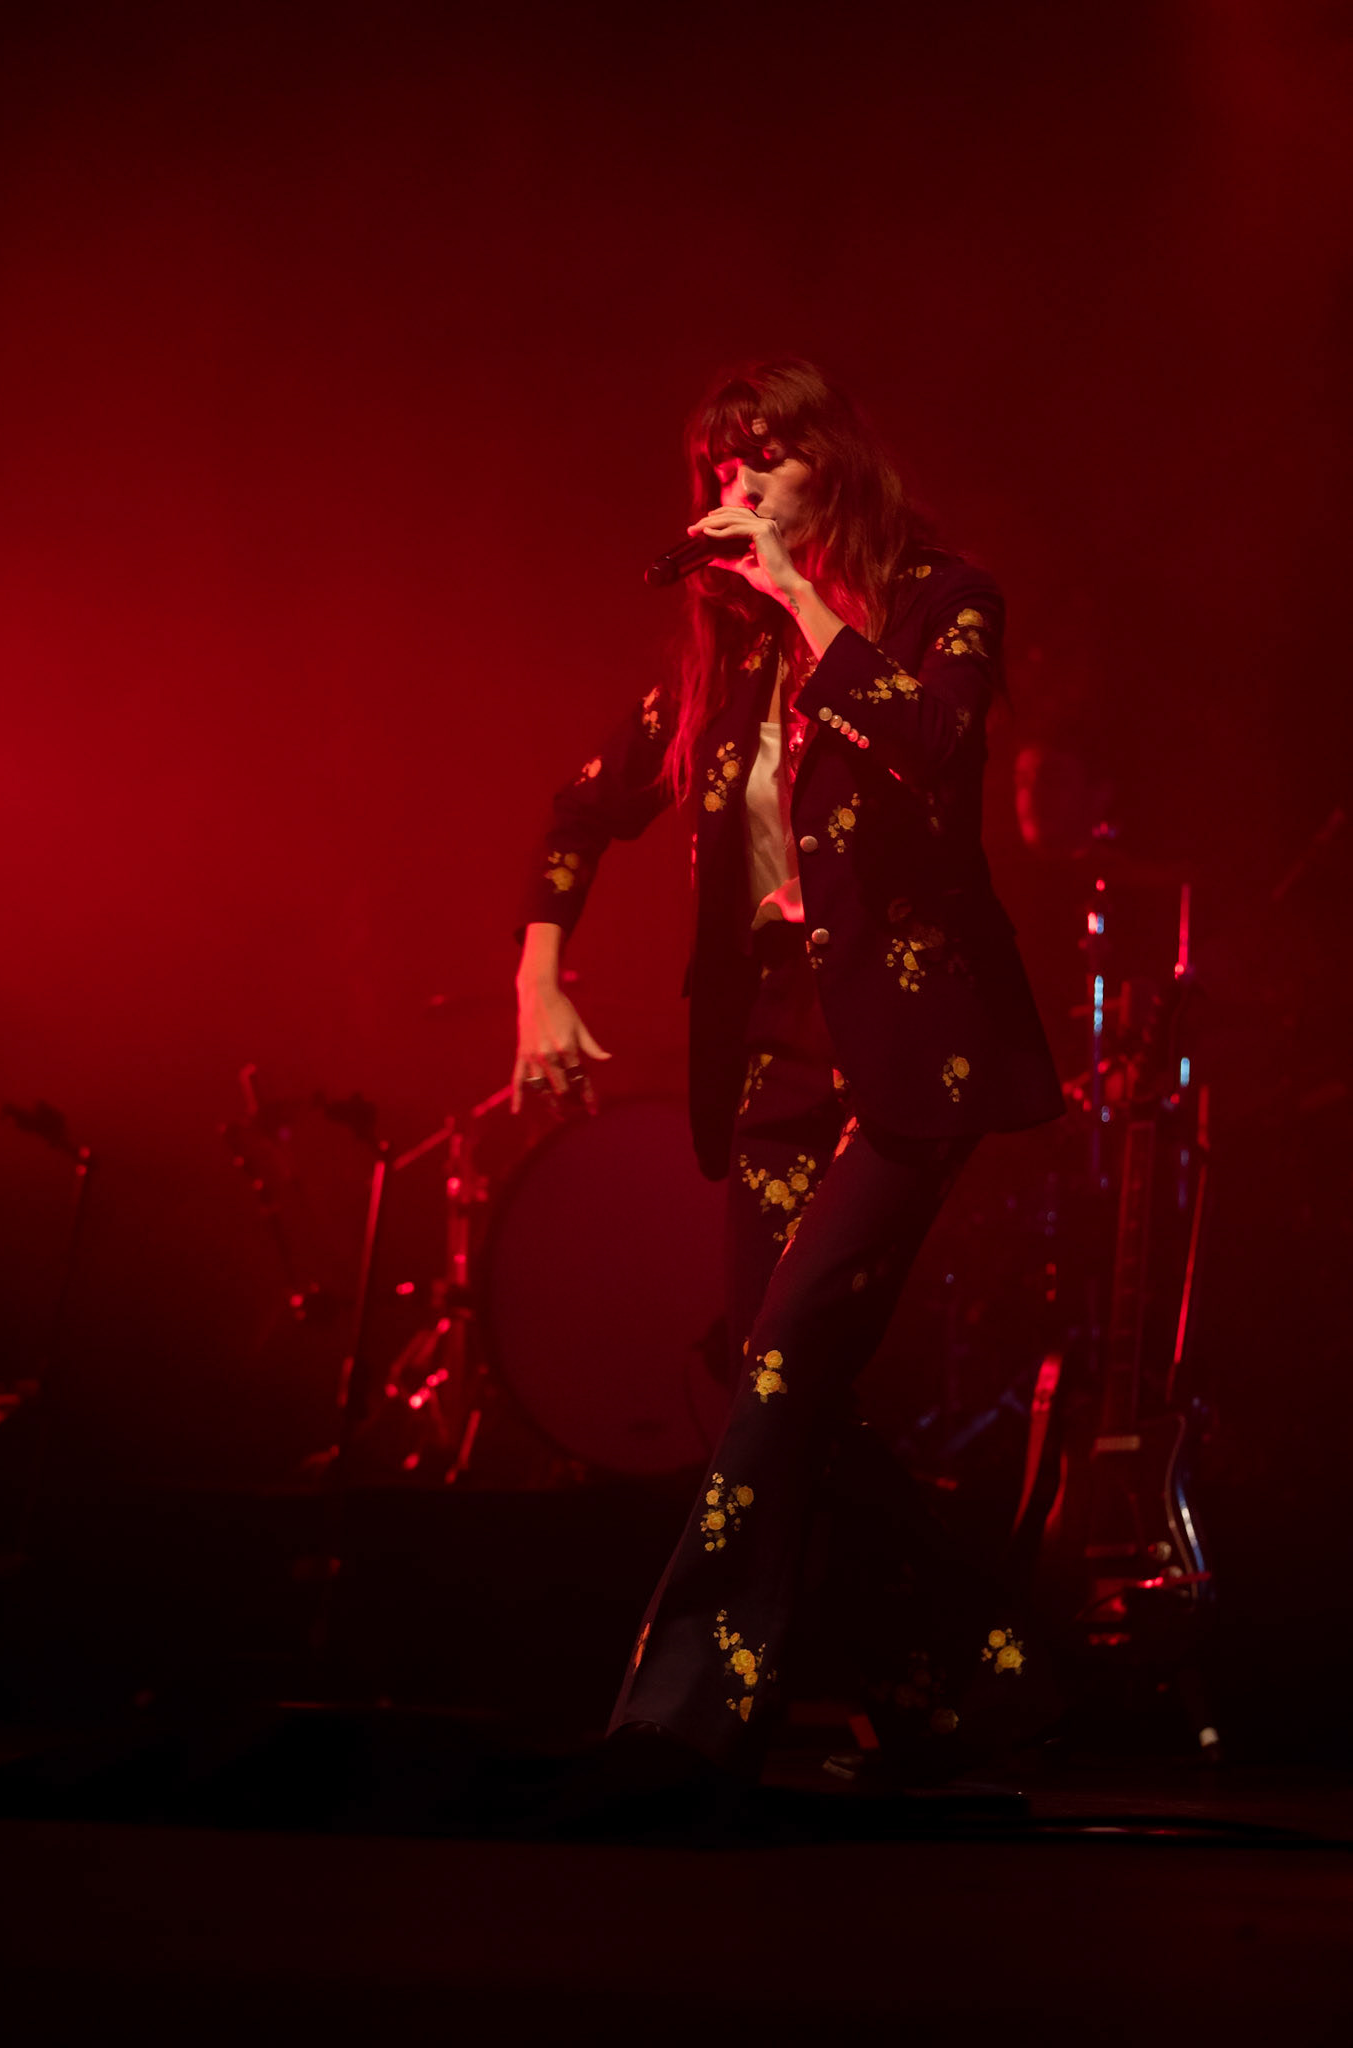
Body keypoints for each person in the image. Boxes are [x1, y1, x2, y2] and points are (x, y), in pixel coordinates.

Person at [512, 358, 1063, 1803]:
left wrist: (810, 607)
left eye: (766, 460)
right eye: (720, 467)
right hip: (776, 1052)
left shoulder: (944, 600)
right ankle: (983, 1671)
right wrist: (537, 982)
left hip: (914, 1047)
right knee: (772, 1378)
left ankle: (683, 1722)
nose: (736, 488)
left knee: (781, 1362)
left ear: (836, 467)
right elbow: (580, 809)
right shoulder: (723, 658)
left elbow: (939, 750)